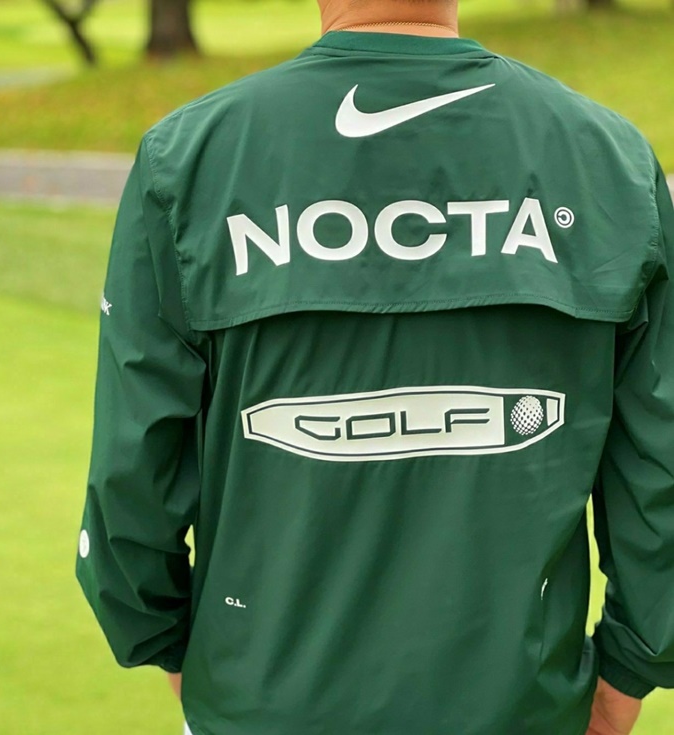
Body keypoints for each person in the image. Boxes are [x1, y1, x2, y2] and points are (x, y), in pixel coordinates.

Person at [75, 1, 674, 733]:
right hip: (523, 705)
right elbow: (662, 463)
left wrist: (169, 645)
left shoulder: (192, 157)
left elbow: (134, 471)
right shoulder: (607, 159)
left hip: (263, 702)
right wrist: (630, 670)